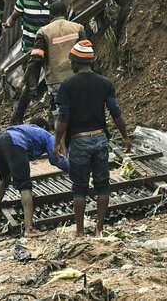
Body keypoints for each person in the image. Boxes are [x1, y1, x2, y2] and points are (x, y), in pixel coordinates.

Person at [54, 41, 131, 238]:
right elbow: (115, 112)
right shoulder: (105, 83)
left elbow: (63, 117)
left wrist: (57, 143)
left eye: (71, 61)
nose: (70, 65)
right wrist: (124, 135)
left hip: (79, 140)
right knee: (102, 185)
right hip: (100, 138)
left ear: (76, 63)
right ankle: (99, 229)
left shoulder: (67, 85)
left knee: (79, 188)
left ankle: (80, 231)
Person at [0, 117, 69, 237]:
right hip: (13, 142)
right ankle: (29, 229)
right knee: (25, 186)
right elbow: (56, 159)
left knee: (4, 180)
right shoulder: (45, 133)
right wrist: (73, 168)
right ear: (44, 127)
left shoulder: (23, 128)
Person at [2, 0, 61, 125]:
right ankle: (17, 117)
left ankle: (53, 118)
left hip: (49, 51)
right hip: (29, 51)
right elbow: (14, 16)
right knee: (31, 87)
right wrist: (8, 24)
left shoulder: (55, 4)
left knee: (53, 85)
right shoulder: (25, 0)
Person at [22, 0, 86, 125]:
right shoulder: (78, 28)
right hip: (77, 77)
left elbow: (36, 59)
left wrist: (24, 80)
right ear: (66, 13)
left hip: (55, 80)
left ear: (50, 15)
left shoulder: (43, 32)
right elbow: (86, 52)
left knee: (59, 114)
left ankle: (60, 143)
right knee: (79, 111)